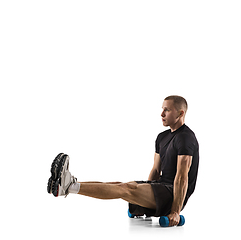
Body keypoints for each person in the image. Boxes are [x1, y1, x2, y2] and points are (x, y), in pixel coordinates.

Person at [47, 95, 199, 226]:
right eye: (162, 109)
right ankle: (68, 185)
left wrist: (175, 211)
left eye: (167, 110)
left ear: (180, 113)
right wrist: (143, 198)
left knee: (126, 189)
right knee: (122, 185)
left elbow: (182, 177)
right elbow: (155, 170)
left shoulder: (186, 137)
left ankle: (67, 186)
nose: (161, 114)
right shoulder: (162, 137)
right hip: (161, 188)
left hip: (173, 195)